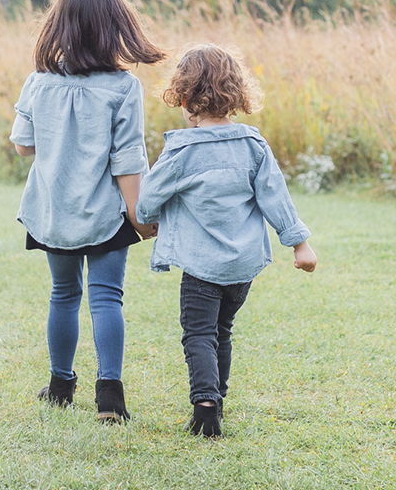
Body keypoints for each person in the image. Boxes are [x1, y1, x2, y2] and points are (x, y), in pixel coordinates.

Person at [131, 44, 317, 437]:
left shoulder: (182, 149)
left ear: (183, 99)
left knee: (198, 333)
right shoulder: (253, 144)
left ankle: (205, 406)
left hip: (201, 266)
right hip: (242, 267)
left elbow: (147, 200)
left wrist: (147, 219)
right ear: (236, 94)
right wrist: (299, 244)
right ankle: (218, 398)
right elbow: (275, 197)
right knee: (222, 330)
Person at [12, 0, 166, 424]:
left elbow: (23, 146)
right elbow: (127, 160)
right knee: (106, 297)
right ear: (113, 27)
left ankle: (61, 385)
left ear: (58, 26)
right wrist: (140, 217)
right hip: (105, 212)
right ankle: (110, 396)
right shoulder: (123, 87)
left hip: (53, 210)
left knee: (63, 294)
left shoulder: (38, 82)